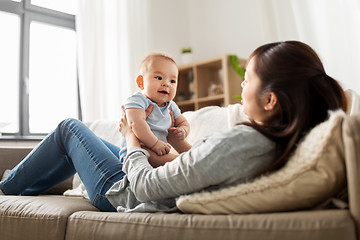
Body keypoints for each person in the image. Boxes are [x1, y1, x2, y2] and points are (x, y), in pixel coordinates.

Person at [0, 41, 347, 213]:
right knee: (81, 142)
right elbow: (199, 168)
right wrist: (174, 147)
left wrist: (131, 140)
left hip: (123, 191)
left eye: (249, 78)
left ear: (271, 100)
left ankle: (6, 187)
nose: (241, 86)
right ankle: (22, 186)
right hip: (141, 175)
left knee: (68, 129)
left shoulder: (247, 142)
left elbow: (147, 187)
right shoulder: (271, 146)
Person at [119, 53, 190, 167]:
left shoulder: (171, 106)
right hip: (136, 151)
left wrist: (183, 130)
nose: (166, 84)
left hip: (158, 151)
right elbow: (135, 123)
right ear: (141, 83)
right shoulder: (138, 100)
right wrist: (155, 144)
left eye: (172, 81)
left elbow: (183, 122)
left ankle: (185, 161)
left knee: (163, 157)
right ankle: (183, 162)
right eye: (159, 78)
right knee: (150, 153)